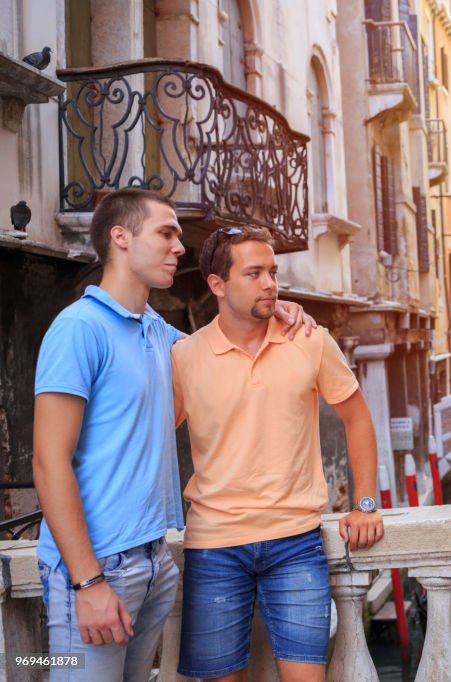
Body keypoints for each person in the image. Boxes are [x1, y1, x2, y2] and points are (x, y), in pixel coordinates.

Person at [32, 189, 312, 681]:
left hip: (153, 563)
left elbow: (223, 345)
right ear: (121, 237)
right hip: (99, 569)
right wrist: (87, 582)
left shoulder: (158, 333)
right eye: (166, 233)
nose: (179, 247)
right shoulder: (78, 329)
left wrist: (278, 308)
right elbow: (48, 461)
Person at [171, 226, 383, 681]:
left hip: (296, 541)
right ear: (217, 285)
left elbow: (359, 419)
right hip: (214, 546)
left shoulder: (309, 338)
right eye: (254, 273)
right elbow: (149, 440)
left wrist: (365, 505)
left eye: (272, 272)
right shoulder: (184, 357)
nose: (270, 283)